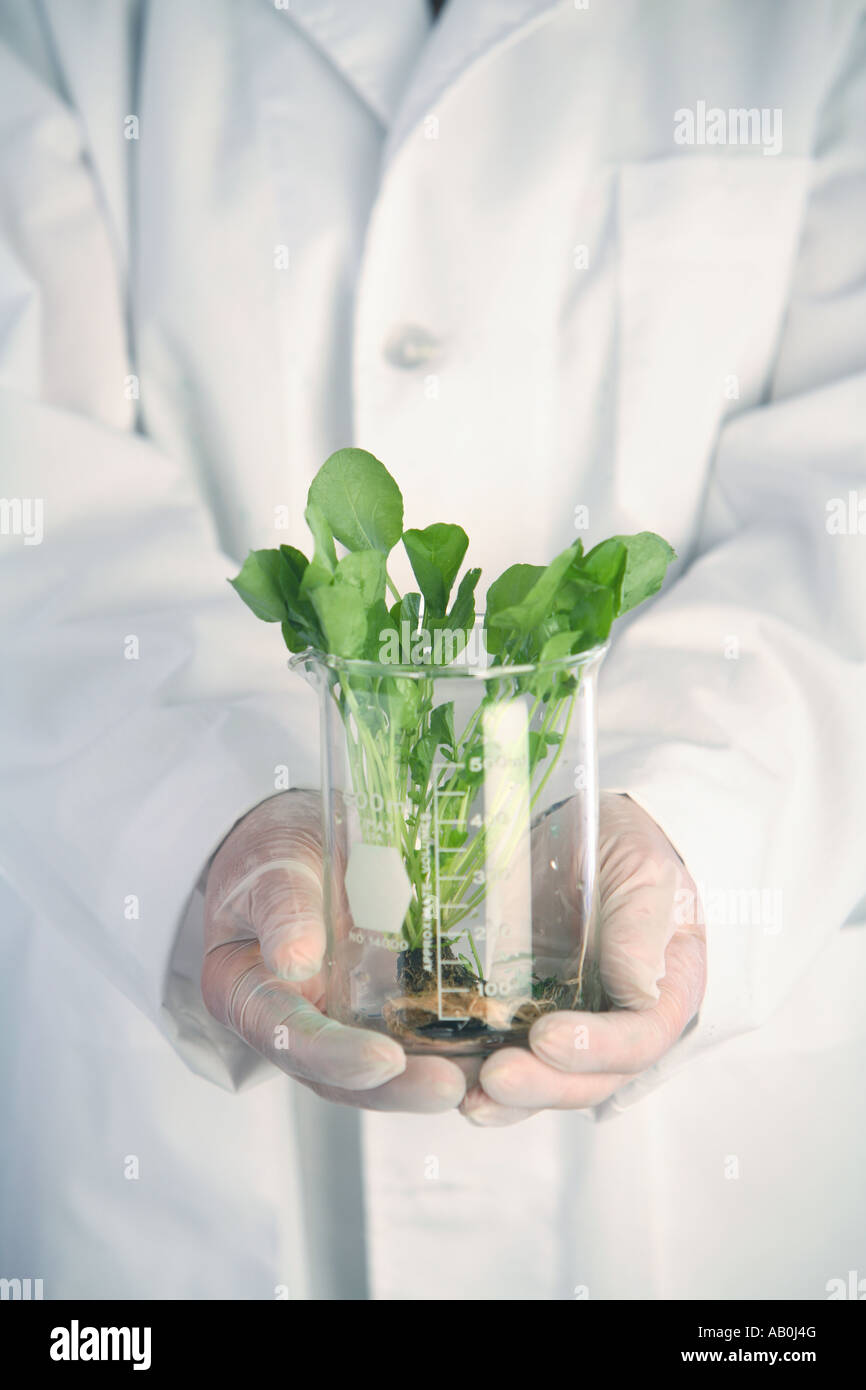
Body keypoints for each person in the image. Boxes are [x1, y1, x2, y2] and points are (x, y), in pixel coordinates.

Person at [1, 0, 864, 1301]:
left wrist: (693, 825)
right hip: (177, 1173)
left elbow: (838, 506)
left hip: (694, 1197)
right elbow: (29, 490)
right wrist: (203, 817)